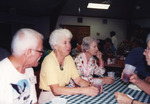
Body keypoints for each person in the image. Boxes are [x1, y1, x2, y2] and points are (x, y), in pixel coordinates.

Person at [38, 28, 99, 104]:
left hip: (64, 95)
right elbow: (56, 90)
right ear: (54, 46)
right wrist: (83, 90)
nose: (69, 46)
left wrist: (91, 85)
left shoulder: (68, 58)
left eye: (69, 42)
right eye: (65, 43)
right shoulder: (49, 61)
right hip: (48, 98)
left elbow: (78, 80)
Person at [0, 28, 44, 104]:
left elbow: (33, 101)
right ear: (28, 52)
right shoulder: (2, 73)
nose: (41, 54)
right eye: (40, 51)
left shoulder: (29, 69)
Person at [114, 33, 150, 104]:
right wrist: (138, 81)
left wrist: (131, 102)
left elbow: (125, 64)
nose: (144, 53)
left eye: (149, 49)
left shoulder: (135, 51)